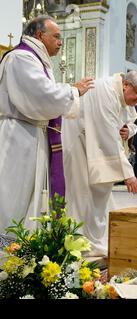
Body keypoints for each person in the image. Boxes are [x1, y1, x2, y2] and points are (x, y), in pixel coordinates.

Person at [0, 16, 94, 234]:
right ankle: (7, 249)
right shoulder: (21, 58)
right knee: (15, 193)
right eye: (57, 36)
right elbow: (41, 96)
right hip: (18, 137)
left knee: (30, 194)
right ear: (40, 35)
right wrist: (73, 90)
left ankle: (24, 247)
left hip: (31, 133)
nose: (61, 42)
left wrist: (68, 91)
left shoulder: (36, 59)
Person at [62, 70, 137, 256]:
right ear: (126, 85)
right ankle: (78, 243)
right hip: (80, 144)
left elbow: (130, 121)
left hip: (99, 146)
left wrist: (128, 130)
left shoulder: (123, 95)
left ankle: (93, 240)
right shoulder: (106, 91)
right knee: (82, 194)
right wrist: (128, 173)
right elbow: (108, 134)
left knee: (98, 197)